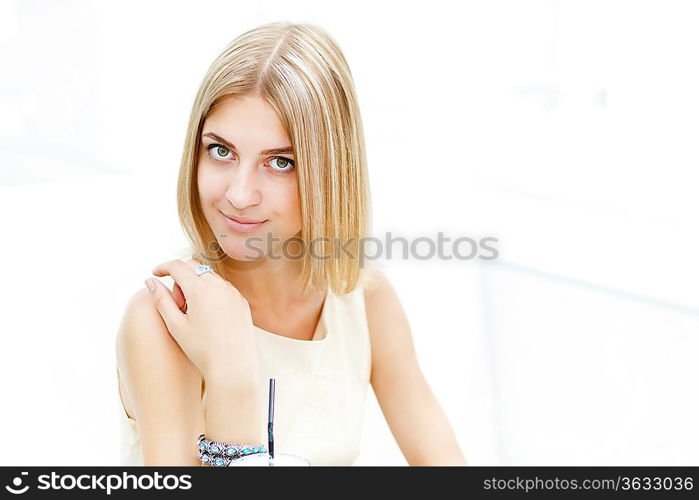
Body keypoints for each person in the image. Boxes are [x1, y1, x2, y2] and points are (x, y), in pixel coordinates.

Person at [115, 21, 466, 466]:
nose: (240, 195)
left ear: (331, 171)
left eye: (280, 162)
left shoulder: (364, 301)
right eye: (221, 151)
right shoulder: (163, 323)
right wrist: (232, 379)